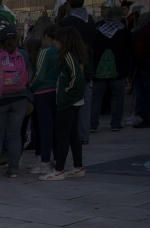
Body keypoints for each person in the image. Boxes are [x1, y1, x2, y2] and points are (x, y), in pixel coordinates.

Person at [40, 26, 88, 181]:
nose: (55, 43)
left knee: (63, 135)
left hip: (68, 102)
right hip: (73, 101)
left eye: (57, 40)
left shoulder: (68, 56)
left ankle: (59, 169)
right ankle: (78, 166)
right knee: (73, 135)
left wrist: (66, 95)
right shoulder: (74, 55)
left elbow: (77, 79)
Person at [0, 26, 31, 177]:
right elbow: (29, 76)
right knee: (15, 135)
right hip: (19, 99)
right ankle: (13, 169)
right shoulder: (23, 54)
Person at [58, 0, 98, 144]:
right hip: (87, 65)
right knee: (85, 104)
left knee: (69, 104)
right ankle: (83, 135)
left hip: (70, 66)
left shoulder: (66, 23)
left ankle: (70, 136)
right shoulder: (91, 21)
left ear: (69, 4)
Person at [91, 5, 133, 132]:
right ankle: (115, 123)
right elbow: (128, 51)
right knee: (117, 98)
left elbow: (92, 49)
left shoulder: (97, 29)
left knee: (97, 99)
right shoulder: (123, 30)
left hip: (98, 71)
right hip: (118, 71)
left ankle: (93, 124)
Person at [29, 26, 60, 174]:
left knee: (43, 128)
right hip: (56, 92)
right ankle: (54, 159)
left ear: (47, 36)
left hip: (42, 92)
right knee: (54, 127)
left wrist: (30, 86)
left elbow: (39, 75)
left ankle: (44, 161)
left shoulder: (45, 52)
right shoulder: (61, 52)